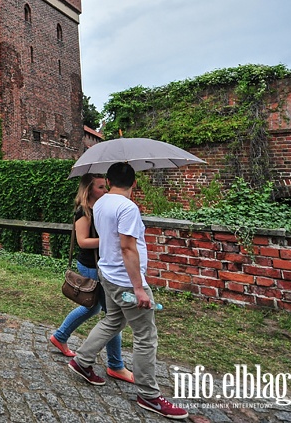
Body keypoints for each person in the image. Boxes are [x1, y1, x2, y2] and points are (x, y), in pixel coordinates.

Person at [68, 162, 188, 420]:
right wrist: (139, 289)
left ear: (109, 182)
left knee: (113, 319)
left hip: (108, 274)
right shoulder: (127, 207)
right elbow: (127, 248)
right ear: (134, 183)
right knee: (145, 334)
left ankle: (81, 360)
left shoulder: (100, 203)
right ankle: (149, 395)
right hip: (125, 280)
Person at [50, 174, 134, 383]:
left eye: (105, 186)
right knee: (111, 316)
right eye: (100, 187)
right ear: (88, 189)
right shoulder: (84, 211)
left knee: (95, 308)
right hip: (91, 266)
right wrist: (110, 238)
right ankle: (116, 365)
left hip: (99, 265)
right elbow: (82, 241)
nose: (105, 190)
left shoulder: (101, 209)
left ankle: (60, 337)